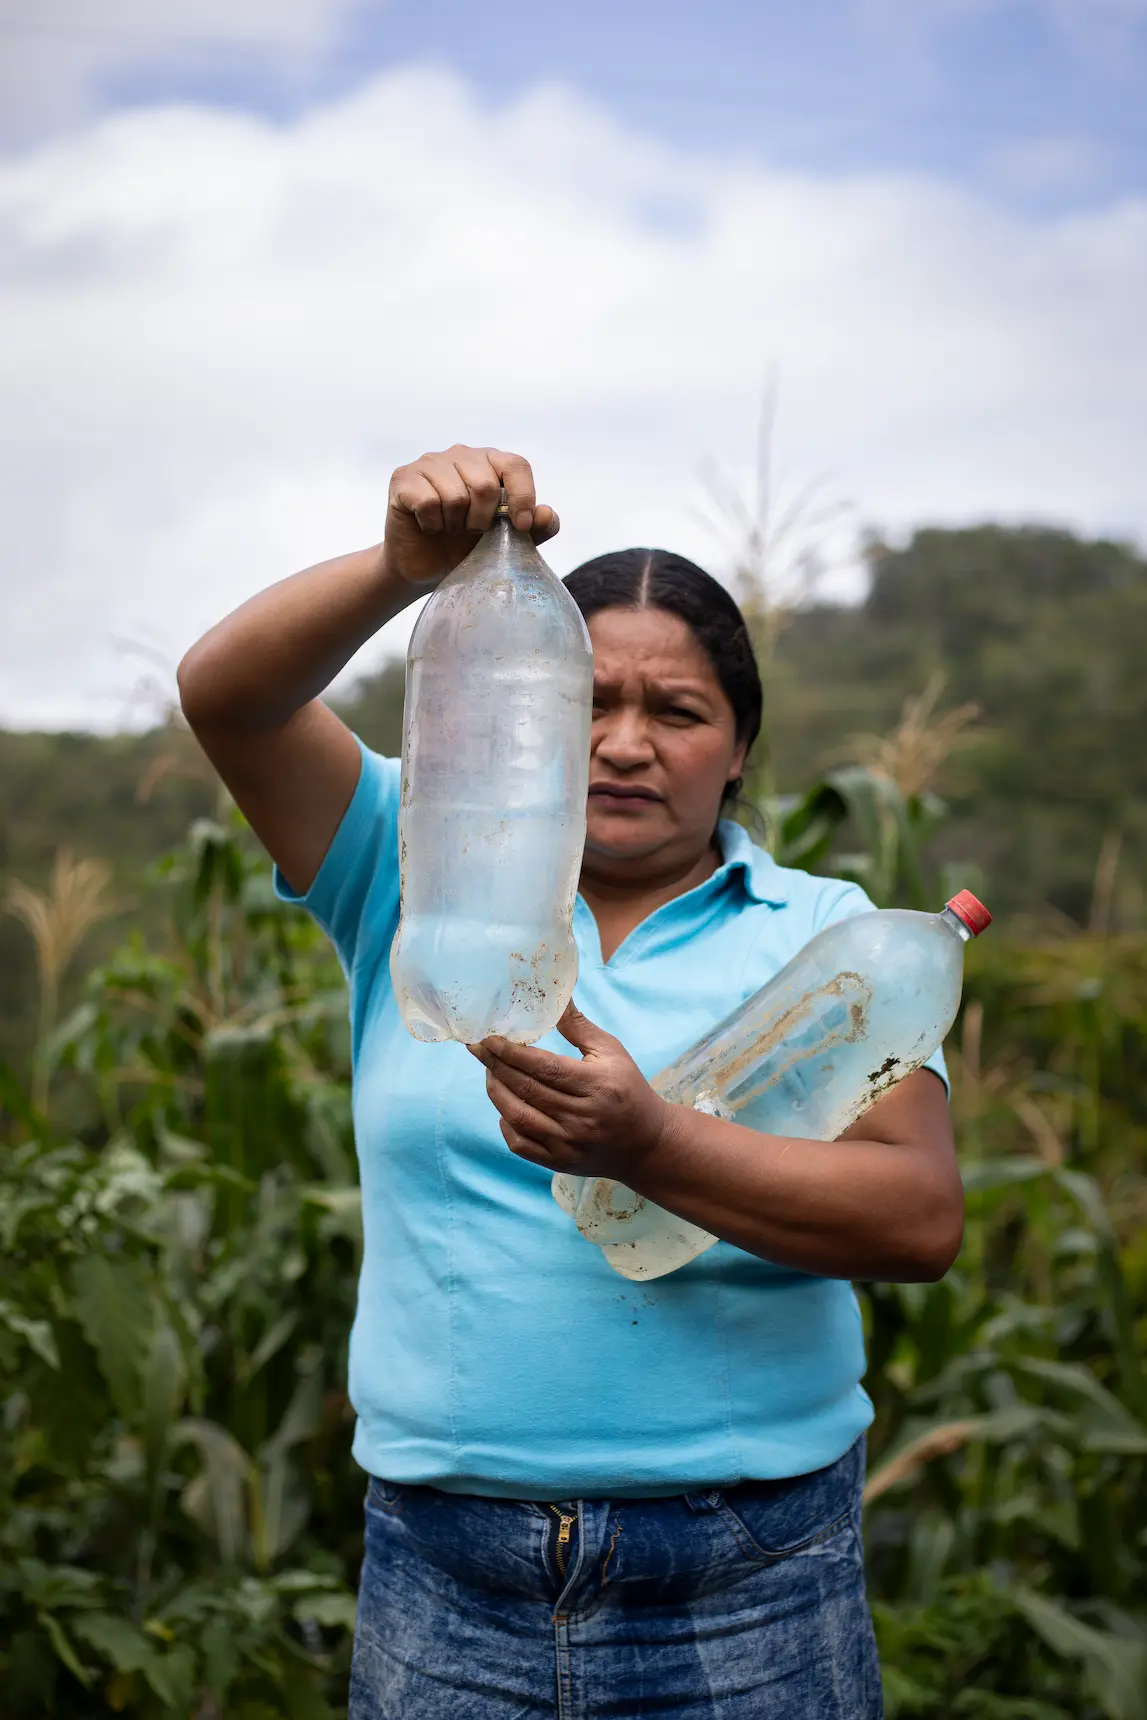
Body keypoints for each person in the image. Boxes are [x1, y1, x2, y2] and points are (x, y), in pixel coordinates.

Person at [179, 444, 963, 1720]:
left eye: (678, 713)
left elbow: (917, 1218)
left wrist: (650, 1147)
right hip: (447, 1583)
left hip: (746, 1584)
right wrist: (399, 569)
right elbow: (229, 698)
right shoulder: (412, 853)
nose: (623, 744)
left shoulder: (828, 937)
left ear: (740, 748)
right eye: (585, 701)